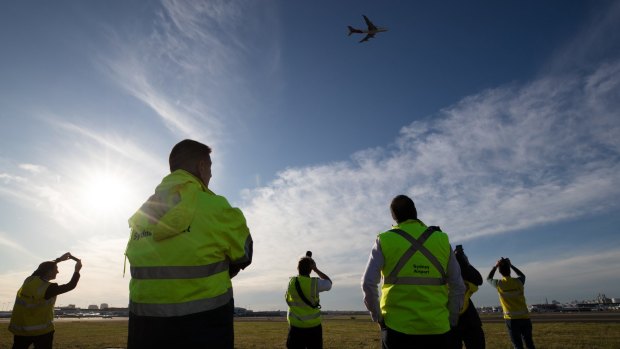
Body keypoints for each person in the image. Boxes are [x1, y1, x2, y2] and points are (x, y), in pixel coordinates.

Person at [125, 139, 253, 349]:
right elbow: (245, 253)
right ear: (202, 166)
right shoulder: (217, 208)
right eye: (210, 168)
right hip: (205, 329)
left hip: (144, 331)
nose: (210, 175)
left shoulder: (141, 215)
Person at [362, 194, 465, 349]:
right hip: (438, 329)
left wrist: (378, 318)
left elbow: (368, 283)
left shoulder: (384, 240)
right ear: (415, 212)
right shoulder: (442, 239)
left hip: (396, 329)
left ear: (393, 217)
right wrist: (450, 320)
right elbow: (458, 285)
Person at [9, 252, 82, 349]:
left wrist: (58, 260)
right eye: (56, 269)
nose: (58, 272)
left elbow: (41, 268)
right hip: (42, 332)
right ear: (49, 272)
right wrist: (77, 270)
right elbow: (71, 285)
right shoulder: (48, 289)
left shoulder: (30, 280)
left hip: (21, 330)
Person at [285, 253, 332, 349]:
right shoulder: (315, 284)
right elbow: (329, 283)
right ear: (310, 270)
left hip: (295, 327)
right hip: (314, 327)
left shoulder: (291, 282)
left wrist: (306, 263)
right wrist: (316, 269)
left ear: (298, 268)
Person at [487, 258, 536, 349]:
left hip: (511, 320)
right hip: (525, 318)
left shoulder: (499, 284)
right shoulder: (519, 282)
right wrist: (511, 265)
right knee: (529, 343)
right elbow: (522, 275)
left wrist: (496, 266)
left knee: (517, 345)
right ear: (509, 270)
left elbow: (489, 278)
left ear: (500, 272)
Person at [451, 245, 485, 349]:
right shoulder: (465, 274)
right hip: (469, 319)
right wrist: (464, 260)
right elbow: (479, 279)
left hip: (450, 320)